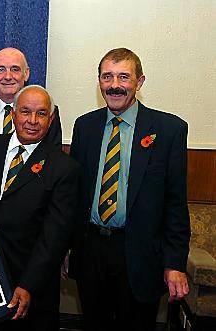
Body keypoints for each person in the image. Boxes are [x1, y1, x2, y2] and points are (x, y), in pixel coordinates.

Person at [69, 48, 190, 331]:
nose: (115, 85)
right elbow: (73, 196)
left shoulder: (169, 130)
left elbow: (175, 204)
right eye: (107, 76)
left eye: (124, 77)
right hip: (91, 253)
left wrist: (174, 263)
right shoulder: (85, 127)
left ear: (140, 81)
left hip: (140, 256)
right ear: (99, 81)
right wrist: (67, 247)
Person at [0, 85, 79, 330]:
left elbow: (55, 237)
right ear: (13, 114)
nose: (32, 121)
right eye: (25, 112)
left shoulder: (64, 168)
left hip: (32, 286)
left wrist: (28, 284)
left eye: (41, 114)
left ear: (51, 119)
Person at [0, 47, 62, 149]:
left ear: (26, 74)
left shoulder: (47, 112)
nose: (8, 77)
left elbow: (54, 158)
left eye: (15, 69)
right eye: (1, 69)